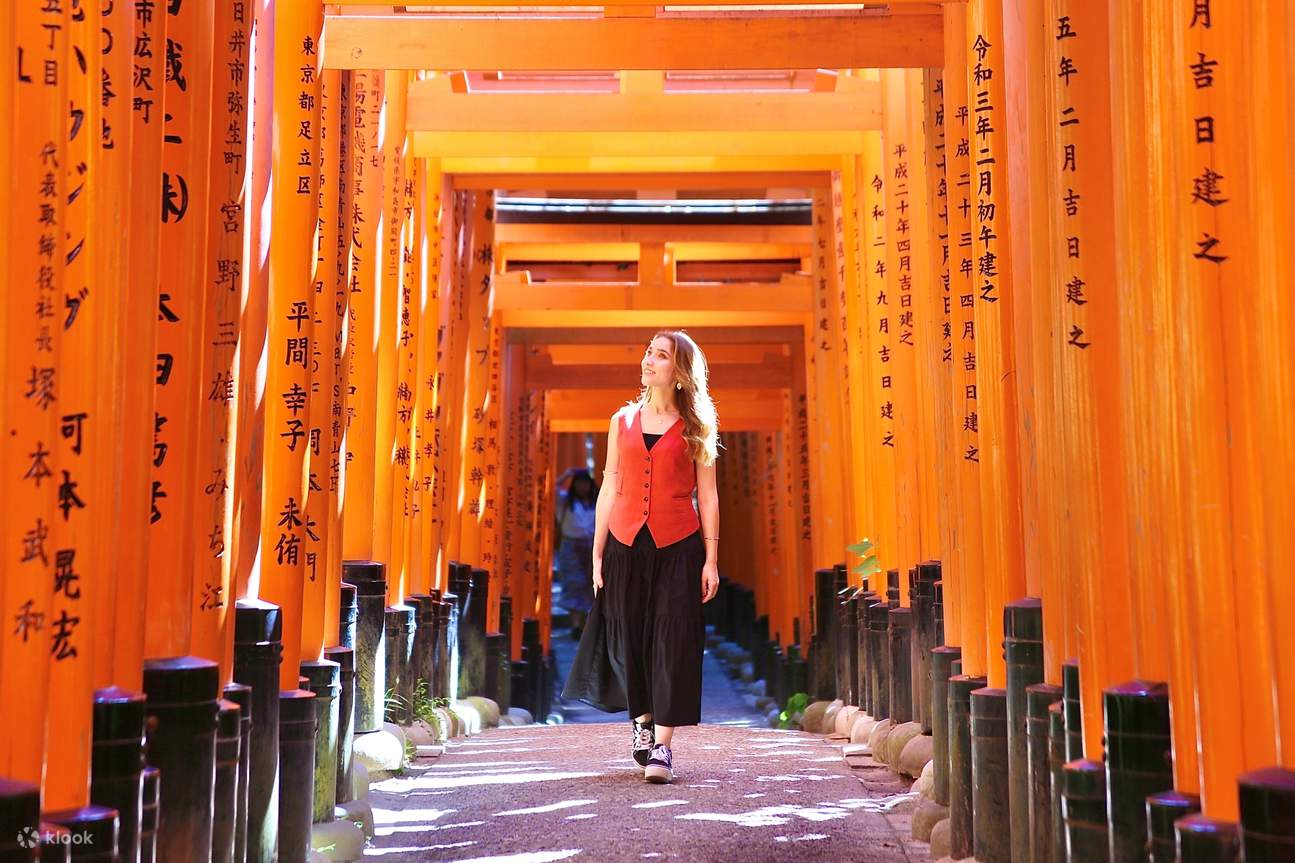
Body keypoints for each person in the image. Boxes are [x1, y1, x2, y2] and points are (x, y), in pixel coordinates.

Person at [562, 329, 721, 784]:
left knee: (673, 638)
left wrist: (710, 560)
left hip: (679, 545)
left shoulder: (697, 427)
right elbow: (610, 485)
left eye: (662, 355)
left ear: (680, 370)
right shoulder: (622, 420)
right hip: (625, 543)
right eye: (649, 352)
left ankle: (664, 749)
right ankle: (643, 722)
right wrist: (597, 553)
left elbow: (707, 497)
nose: (649, 361)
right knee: (629, 635)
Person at [554, 467, 598, 636]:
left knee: (590, 584)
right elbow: (552, 489)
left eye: (585, 483)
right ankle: (575, 624)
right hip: (571, 546)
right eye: (579, 483)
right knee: (573, 584)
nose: (582, 487)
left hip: (591, 545)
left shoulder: (596, 501)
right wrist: (566, 474)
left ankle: (587, 624)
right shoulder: (565, 502)